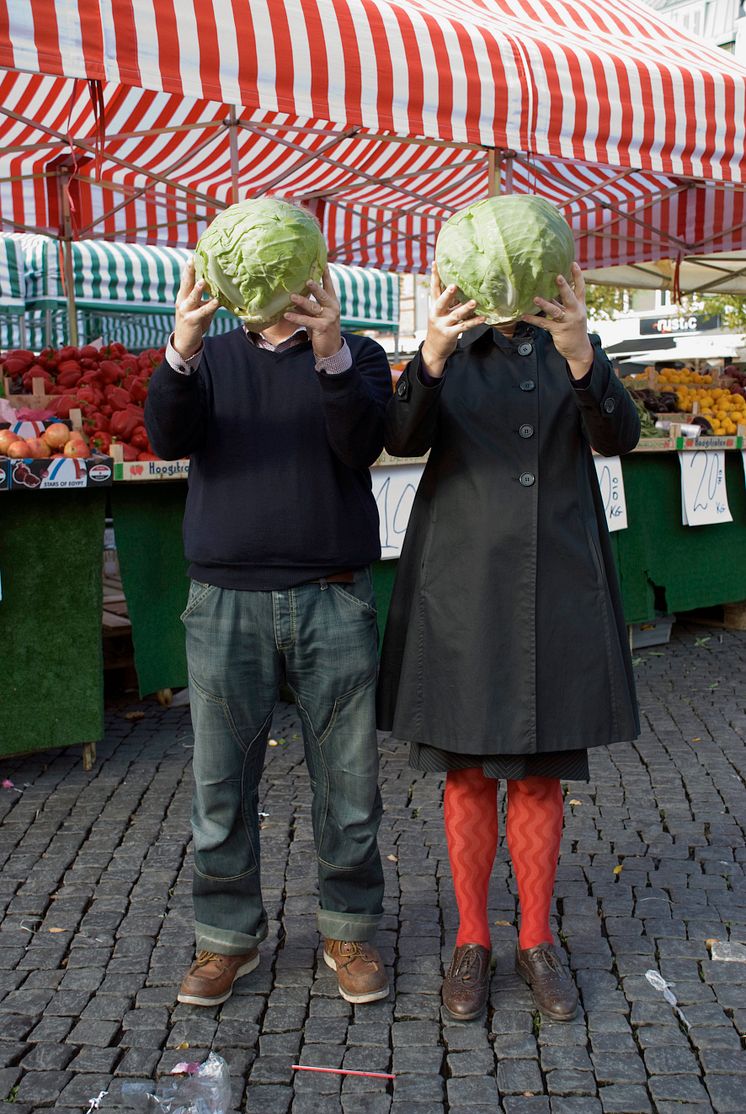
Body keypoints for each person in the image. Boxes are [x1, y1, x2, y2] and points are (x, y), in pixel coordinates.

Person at [377, 261, 640, 1022]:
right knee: (466, 772)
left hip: (556, 577)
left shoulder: (572, 343)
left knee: (538, 773)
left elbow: (617, 436)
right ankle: (470, 941)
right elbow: (396, 437)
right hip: (461, 584)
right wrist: (428, 353)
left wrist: (583, 351)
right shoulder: (450, 349)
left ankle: (534, 941)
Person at [145, 251, 392, 1008]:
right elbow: (166, 437)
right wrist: (182, 345)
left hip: (334, 595)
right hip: (225, 600)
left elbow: (364, 446)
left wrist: (330, 355)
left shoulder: (362, 355)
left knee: (349, 784)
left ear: (308, 274)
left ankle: (348, 929)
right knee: (221, 786)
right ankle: (225, 941)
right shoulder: (209, 356)